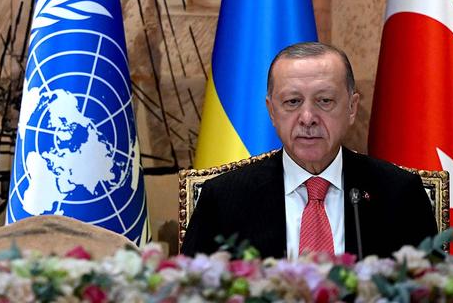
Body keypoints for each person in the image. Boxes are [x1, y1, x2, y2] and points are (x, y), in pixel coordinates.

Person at [181, 42, 436, 258]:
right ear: (271, 111)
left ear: (352, 108)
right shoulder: (224, 199)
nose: (307, 118)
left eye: (324, 101)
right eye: (292, 102)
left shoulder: (401, 194)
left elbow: (431, 292)